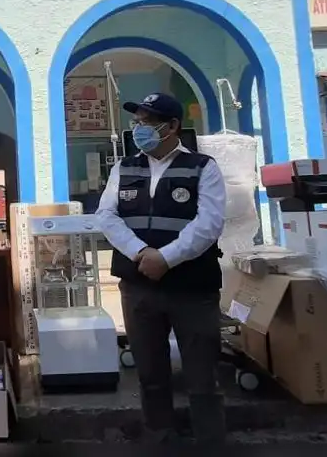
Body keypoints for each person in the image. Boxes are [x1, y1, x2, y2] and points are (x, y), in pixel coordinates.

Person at [95, 93, 227, 444]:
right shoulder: (124, 168)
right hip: (140, 287)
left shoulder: (203, 167)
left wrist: (166, 258)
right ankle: (160, 437)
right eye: (137, 121)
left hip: (193, 289)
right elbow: (106, 216)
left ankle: (210, 442)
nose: (139, 128)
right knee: (150, 374)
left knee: (202, 376)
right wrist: (141, 253)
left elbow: (210, 223)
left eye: (147, 122)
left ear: (171, 127)